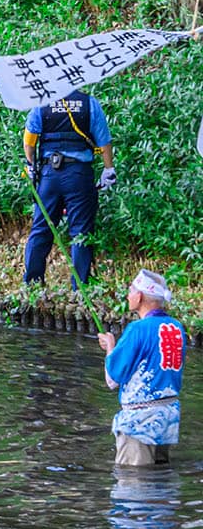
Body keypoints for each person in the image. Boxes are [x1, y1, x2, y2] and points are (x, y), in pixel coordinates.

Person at [22, 91, 112, 286]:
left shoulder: (41, 102)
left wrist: (31, 165)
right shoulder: (90, 104)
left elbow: (29, 141)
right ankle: (80, 288)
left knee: (41, 229)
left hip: (49, 175)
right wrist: (108, 169)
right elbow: (104, 141)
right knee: (80, 231)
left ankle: (33, 284)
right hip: (79, 175)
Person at [98, 269, 187, 467]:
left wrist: (111, 347)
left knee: (133, 486)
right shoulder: (176, 327)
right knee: (161, 484)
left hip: (140, 422)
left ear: (139, 296)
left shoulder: (137, 329)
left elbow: (113, 378)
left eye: (131, 290)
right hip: (168, 418)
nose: (128, 295)